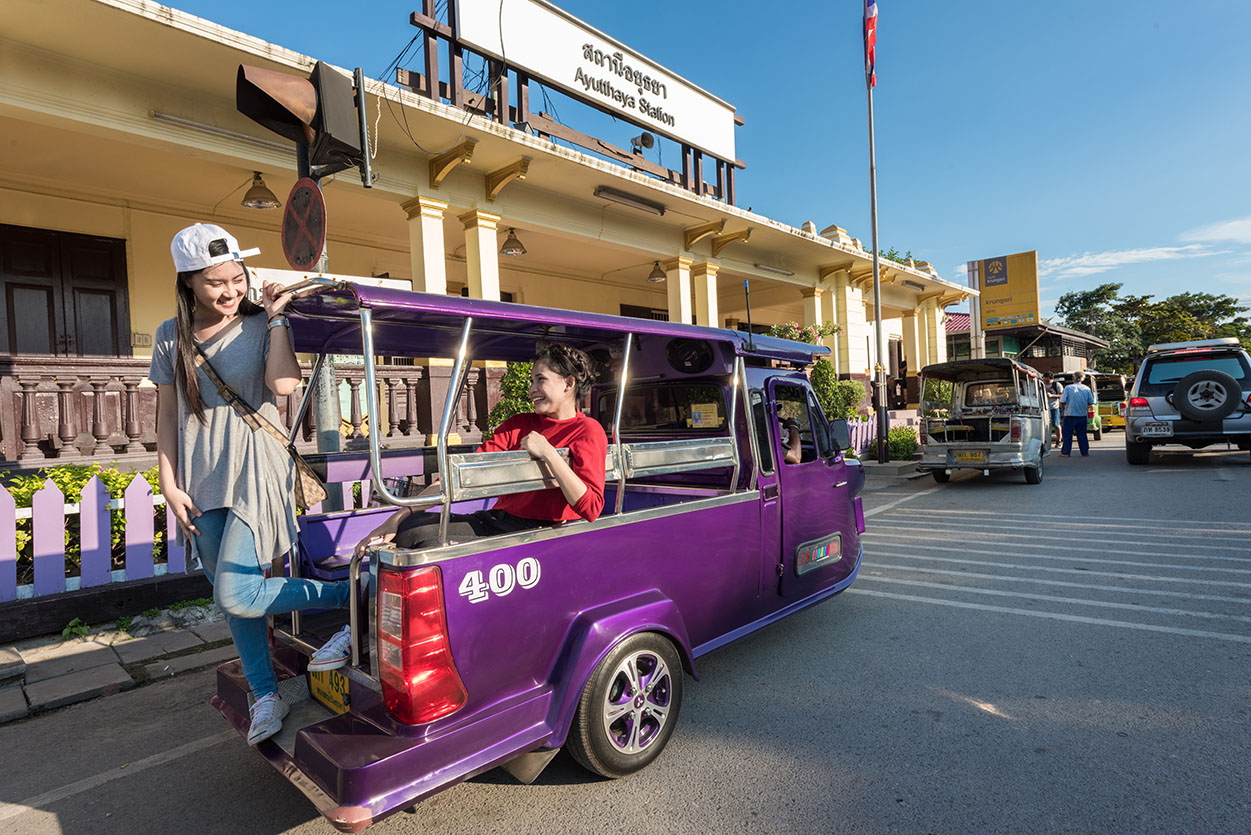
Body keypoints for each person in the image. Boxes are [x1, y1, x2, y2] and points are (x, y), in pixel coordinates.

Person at [151, 223, 350, 746]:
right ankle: (266, 694)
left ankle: (350, 595)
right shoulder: (170, 335)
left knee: (238, 592)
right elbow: (166, 416)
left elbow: (284, 386)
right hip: (199, 476)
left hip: (254, 467)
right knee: (229, 597)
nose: (229, 291)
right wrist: (168, 485)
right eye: (216, 282)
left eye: (236, 279)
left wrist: (278, 319)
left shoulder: (260, 322)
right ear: (189, 281)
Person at [308, 344, 609, 669]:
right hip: (500, 519)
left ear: (568, 383)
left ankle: (394, 635)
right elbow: (457, 476)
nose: (532, 389)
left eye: (541, 379)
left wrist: (548, 452)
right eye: (532, 380)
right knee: (409, 533)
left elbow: (591, 505)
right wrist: (395, 518)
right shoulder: (519, 423)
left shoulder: (587, 431)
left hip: (540, 533)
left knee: (426, 545)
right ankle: (359, 633)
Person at [1059, 370, 1096, 457]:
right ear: (1082, 379)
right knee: (1082, 434)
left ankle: (1066, 452)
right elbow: (1091, 401)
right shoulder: (1087, 388)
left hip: (1069, 414)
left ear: (1073, 378)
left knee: (1067, 434)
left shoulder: (1068, 388)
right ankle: (1084, 452)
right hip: (1082, 414)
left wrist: (1063, 407)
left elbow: (1062, 400)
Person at [1043, 373, 1063, 443]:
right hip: (1044, 408)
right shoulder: (1042, 384)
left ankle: (1059, 440)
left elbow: (1061, 395)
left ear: (1052, 379)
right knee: (1045, 425)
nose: (1045, 382)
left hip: (1054, 407)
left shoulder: (1057, 385)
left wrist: (1052, 395)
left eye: (1047, 381)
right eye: (1044, 380)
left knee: (1056, 424)